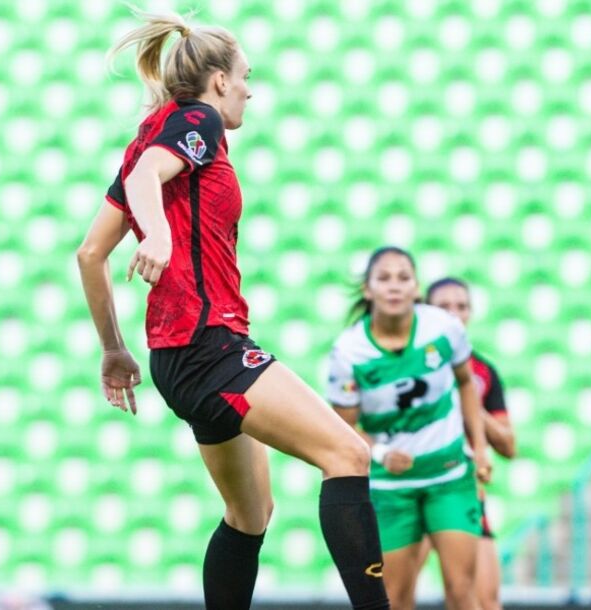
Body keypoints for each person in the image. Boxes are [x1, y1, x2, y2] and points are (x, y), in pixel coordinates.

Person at [75, 11, 388, 610]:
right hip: (209, 345)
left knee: (249, 514)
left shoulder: (151, 132)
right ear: (219, 81)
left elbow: (91, 254)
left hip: (174, 359)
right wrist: (160, 235)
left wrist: (114, 349)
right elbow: (146, 179)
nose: (251, 89)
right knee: (348, 453)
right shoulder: (198, 119)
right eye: (247, 76)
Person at [327, 247, 492, 610]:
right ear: (368, 290)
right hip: (390, 486)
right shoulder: (349, 352)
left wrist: (478, 447)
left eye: (403, 278)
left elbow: (466, 382)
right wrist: (383, 453)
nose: (395, 287)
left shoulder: (443, 327)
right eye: (384, 278)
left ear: (416, 286)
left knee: (462, 592)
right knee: (396, 599)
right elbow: (343, 427)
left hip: (449, 477)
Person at [415, 276, 516, 610]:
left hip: (461, 492)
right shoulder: (404, 361)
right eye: (444, 307)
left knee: (484, 601)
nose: (454, 314)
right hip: (410, 490)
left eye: (461, 306)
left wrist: (467, 399)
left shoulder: (483, 372)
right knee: (392, 598)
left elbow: (509, 445)